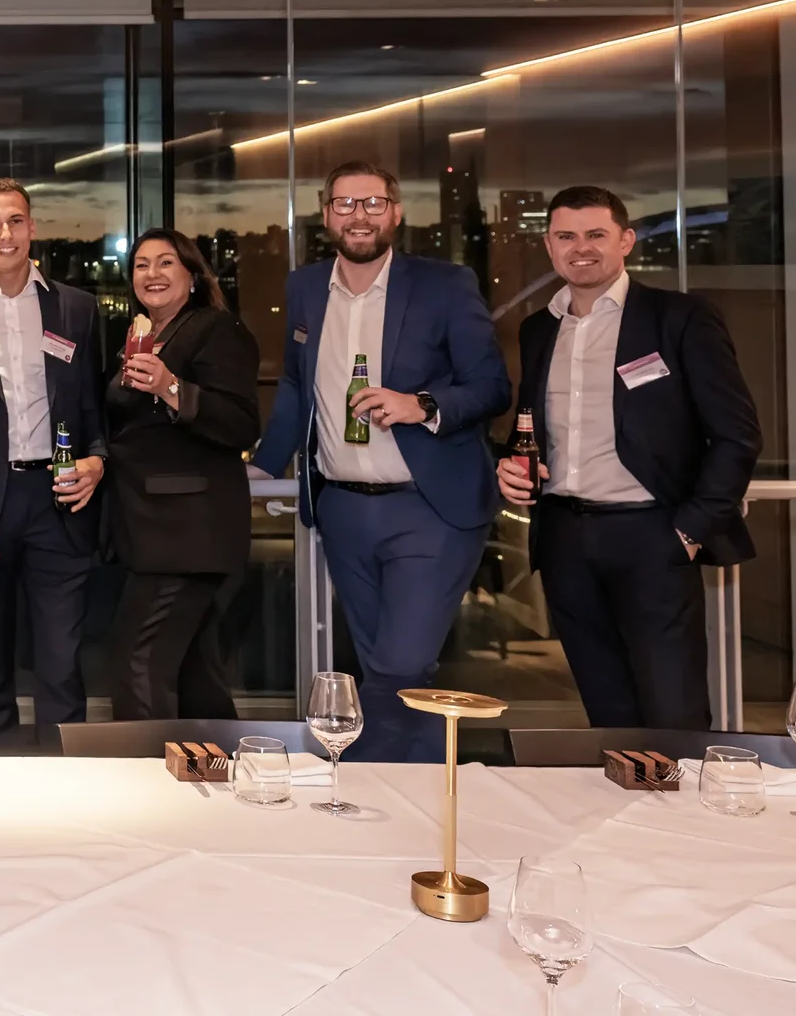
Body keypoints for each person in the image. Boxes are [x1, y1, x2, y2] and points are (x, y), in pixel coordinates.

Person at [253, 160, 512, 761]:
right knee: (386, 665)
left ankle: (366, 780)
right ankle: (417, 798)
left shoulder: (444, 284)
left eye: (372, 203)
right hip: (343, 508)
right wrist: (267, 464)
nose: (358, 216)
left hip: (429, 507)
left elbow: (491, 386)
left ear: (395, 212)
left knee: (400, 662)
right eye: (345, 204)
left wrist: (420, 403)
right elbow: (296, 386)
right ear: (326, 216)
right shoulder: (304, 287)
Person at [501, 185, 760, 730]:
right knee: (607, 709)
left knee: (673, 708)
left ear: (625, 241)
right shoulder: (538, 329)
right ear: (549, 246)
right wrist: (511, 465)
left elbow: (737, 436)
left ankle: (682, 815)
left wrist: (689, 530)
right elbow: (529, 429)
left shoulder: (678, 318)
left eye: (596, 234)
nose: (582, 248)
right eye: (566, 236)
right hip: (565, 538)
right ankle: (625, 812)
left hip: (653, 536)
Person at [0, 181, 107, 748]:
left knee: (61, 655)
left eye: (16, 221)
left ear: (33, 227)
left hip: (58, 499)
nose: (5, 234)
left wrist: (98, 459)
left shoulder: (77, 307)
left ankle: (67, 782)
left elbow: (94, 405)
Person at [102, 230, 262, 722]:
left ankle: (149, 785)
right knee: (196, 672)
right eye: (142, 265)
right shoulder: (145, 335)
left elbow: (240, 424)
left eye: (165, 262)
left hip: (188, 533)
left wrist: (172, 387)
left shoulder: (216, 328)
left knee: (136, 663)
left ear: (192, 276)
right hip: (150, 528)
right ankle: (224, 775)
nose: (152, 274)